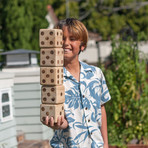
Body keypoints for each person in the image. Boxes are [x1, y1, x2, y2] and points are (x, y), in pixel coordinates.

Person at [43, 18, 111, 148]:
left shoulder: (96, 74)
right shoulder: (52, 78)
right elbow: (58, 117)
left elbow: (101, 109)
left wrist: (105, 144)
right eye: (62, 38)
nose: (66, 43)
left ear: (83, 45)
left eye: (72, 39)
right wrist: (58, 124)